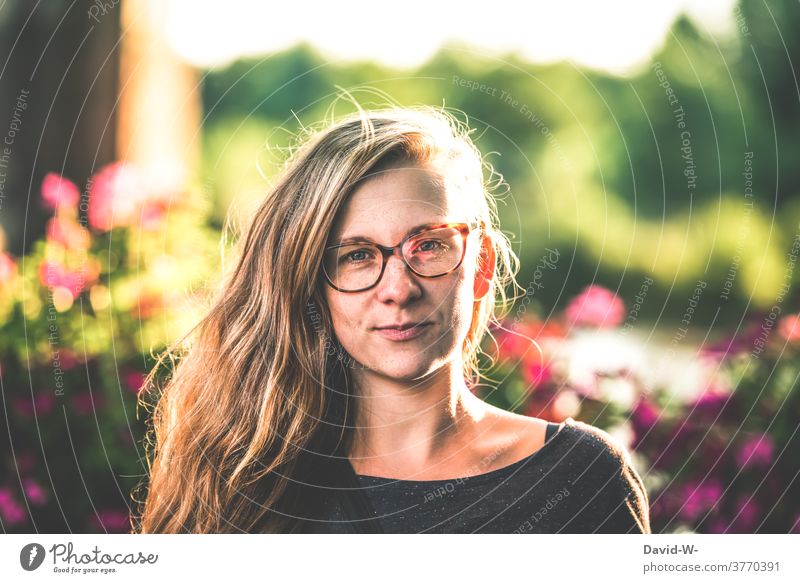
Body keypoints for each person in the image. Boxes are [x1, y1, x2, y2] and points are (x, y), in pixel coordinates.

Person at [134, 103, 650, 534]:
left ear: (482, 265)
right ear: (313, 283)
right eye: (356, 255)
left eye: (428, 246)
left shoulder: (583, 478)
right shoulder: (243, 488)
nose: (398, 289)